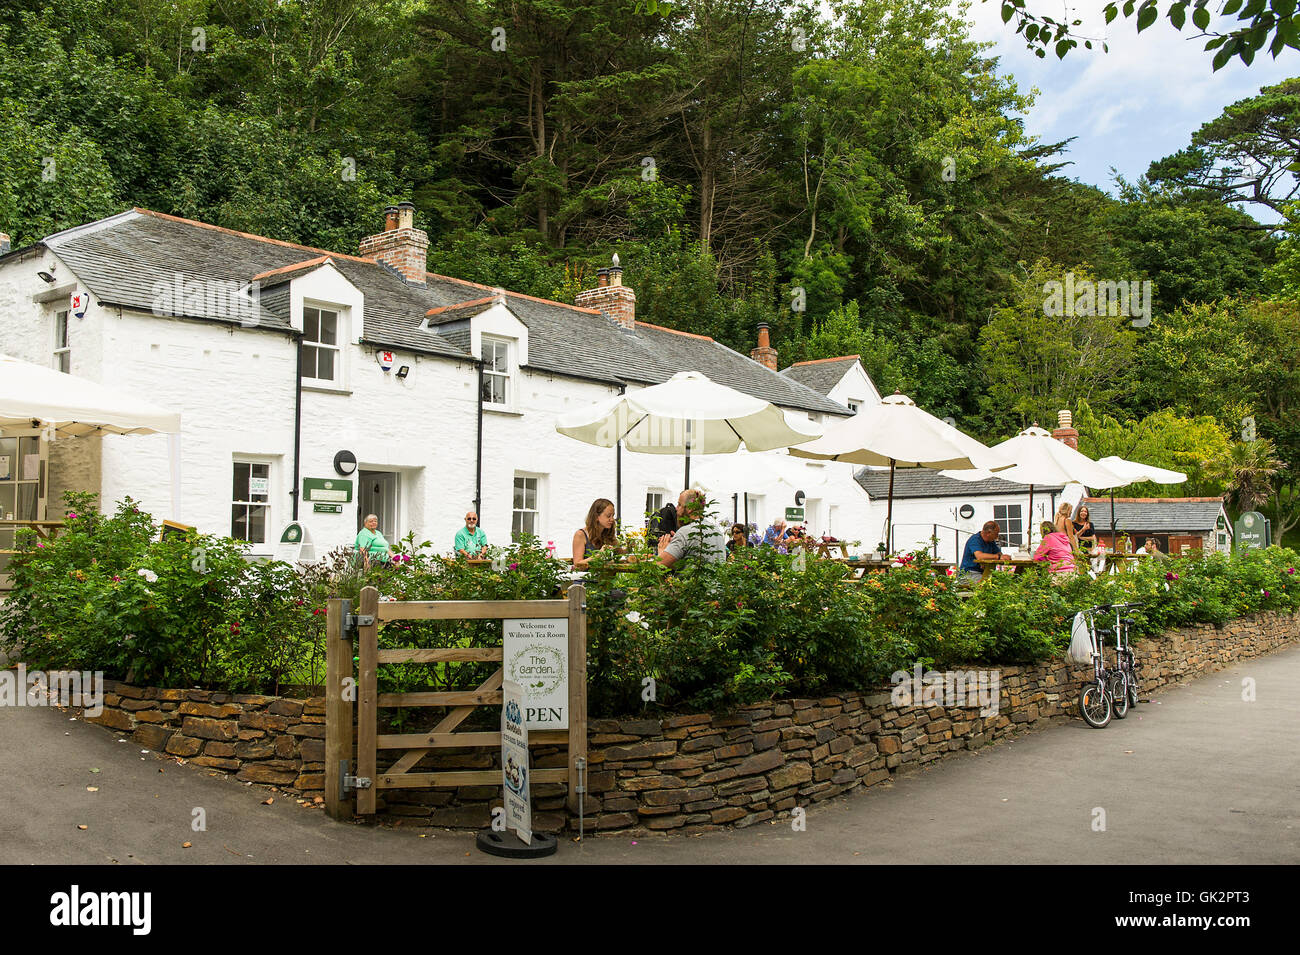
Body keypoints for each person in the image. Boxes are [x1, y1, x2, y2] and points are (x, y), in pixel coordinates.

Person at [658, 489, 727, 567]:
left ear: (690, 508)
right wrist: (676, 544)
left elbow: (658, 567)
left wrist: (662, 551)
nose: (676, 508)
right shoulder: (716, 530)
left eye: (679, 505)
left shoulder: (685, 532)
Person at [573, 498, 618, 570]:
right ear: (596, 517)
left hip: (604, 580)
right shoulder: (581, 534)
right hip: (585, 580)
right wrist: (599, 554)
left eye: (613, 515)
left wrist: (629, 547)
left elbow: (619, 552)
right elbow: (577, 566)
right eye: (608, 516)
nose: (612, 519)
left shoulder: (608, 534)